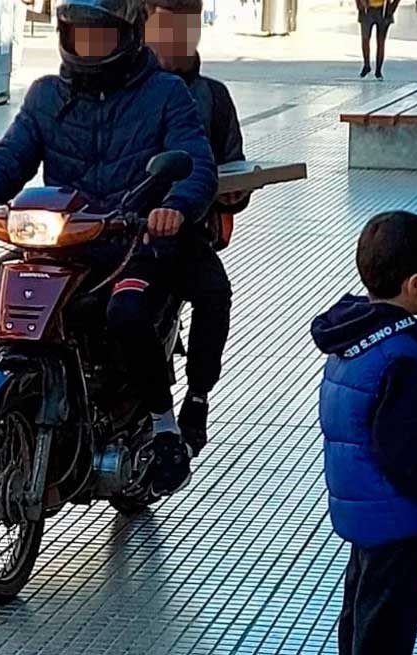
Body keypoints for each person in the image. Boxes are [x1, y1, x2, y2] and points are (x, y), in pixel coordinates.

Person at [0, 0, 218, 495]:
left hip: (134, 243)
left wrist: (174, 206)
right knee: (3, 281)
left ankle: (163, 426)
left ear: (129, 35)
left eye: (101, 36)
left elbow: (195, 161)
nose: (90, 47)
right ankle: (16, 403)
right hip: (64, 244)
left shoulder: (165, 93)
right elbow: (12, 154)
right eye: (80, 36)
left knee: (127, 311)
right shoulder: (47, 95)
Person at [311, 212, 417, 655]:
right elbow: (404, 453)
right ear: (414, 283)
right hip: (398, 521)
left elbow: (366, 411)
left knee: (361, 616)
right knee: (386, 632)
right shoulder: (403, 358)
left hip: (365, 513)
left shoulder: (355, 336)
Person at [144, 0, 249, 456]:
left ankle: (197, 396)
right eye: (163, 27)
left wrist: (232, 195)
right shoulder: (119, 89)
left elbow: (234, 167)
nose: (174, 39)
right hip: (115, 229)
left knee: (213, 293)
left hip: (184, 231)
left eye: (184, 28)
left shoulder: (212, 97)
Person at [357, 0, 400, 79]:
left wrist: (393, 6)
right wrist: (359, 3)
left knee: (381, 41)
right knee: (365, 39)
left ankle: (378, 70)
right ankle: (366, 65)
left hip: (384, 10)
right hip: (366, 9)